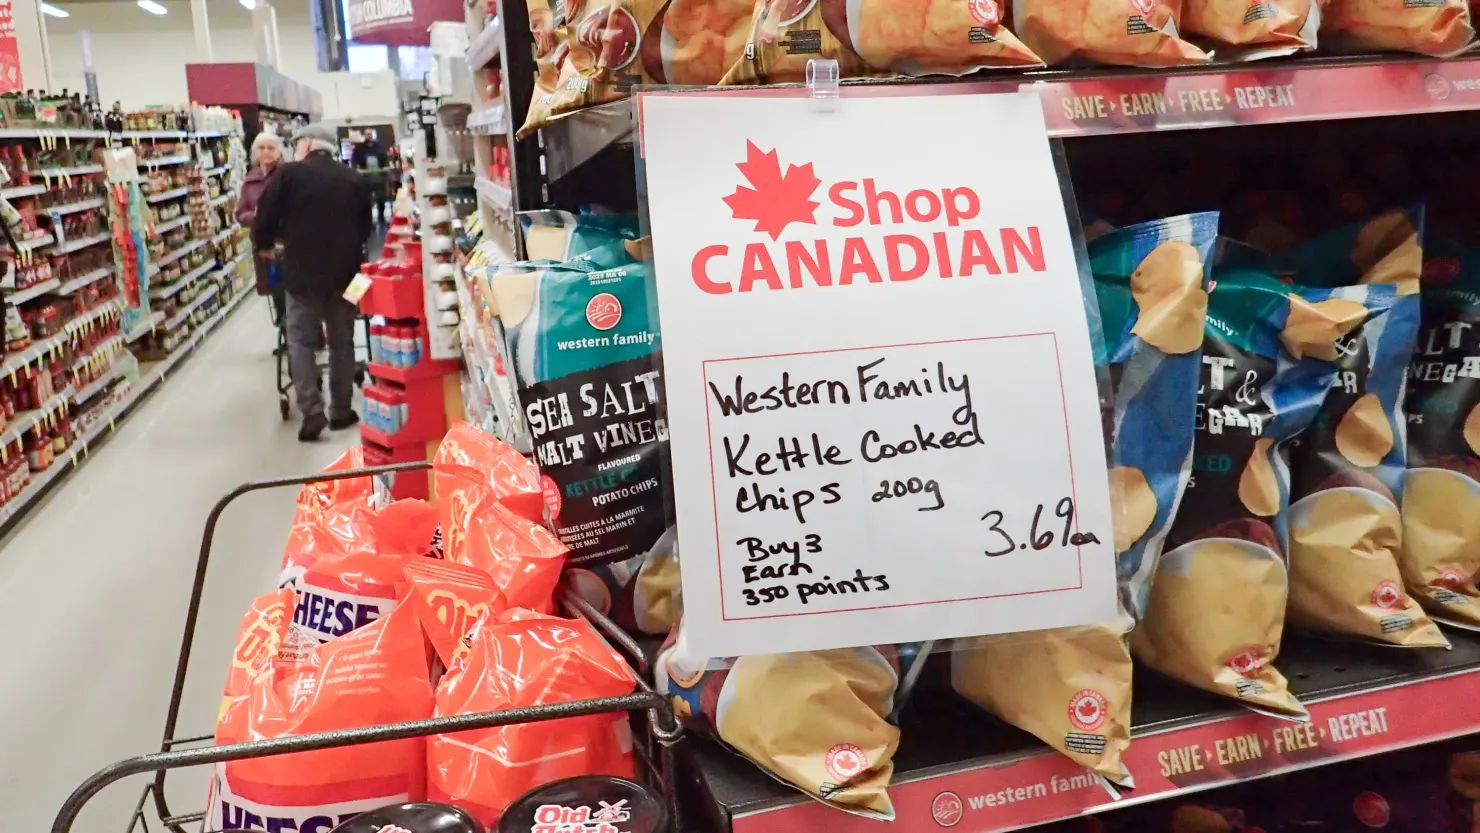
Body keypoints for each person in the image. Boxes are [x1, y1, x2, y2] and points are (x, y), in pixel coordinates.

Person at [252, 123, 371, 442]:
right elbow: (366, 228)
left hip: (301, 274)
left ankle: (312, 412)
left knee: (301, 342)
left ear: (307, 144)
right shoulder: (354, 178)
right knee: (342, 341)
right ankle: (341, 410)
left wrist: (265, 244)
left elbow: (265, 217)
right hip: (347, 275)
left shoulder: (288, 175)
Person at [235, 132, 286, 323]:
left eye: (271, 148)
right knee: (275, 292)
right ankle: (285, 328)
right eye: (261, 148)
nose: (266, 152)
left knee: (293, 294)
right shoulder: (250, 180)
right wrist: (256, 216)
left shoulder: (287, 175)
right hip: (263, 249)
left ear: (279, 152)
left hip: (287, 245)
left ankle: (301, 334)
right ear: (255, 153)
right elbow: (240, 214)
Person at [351, 129, 390, 226]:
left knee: (381, 198)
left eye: (370, 134)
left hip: (379, 177)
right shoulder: (359, 148)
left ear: (372, 135)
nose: (369, 136)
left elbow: (385, 159)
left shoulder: (379, 147)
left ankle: (381, 217)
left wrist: (386, 166)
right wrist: (356, 169)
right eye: (367, 134)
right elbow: (354, 161)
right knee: (367, 200)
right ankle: (368, 220)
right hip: (365, 179)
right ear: (364, 136)